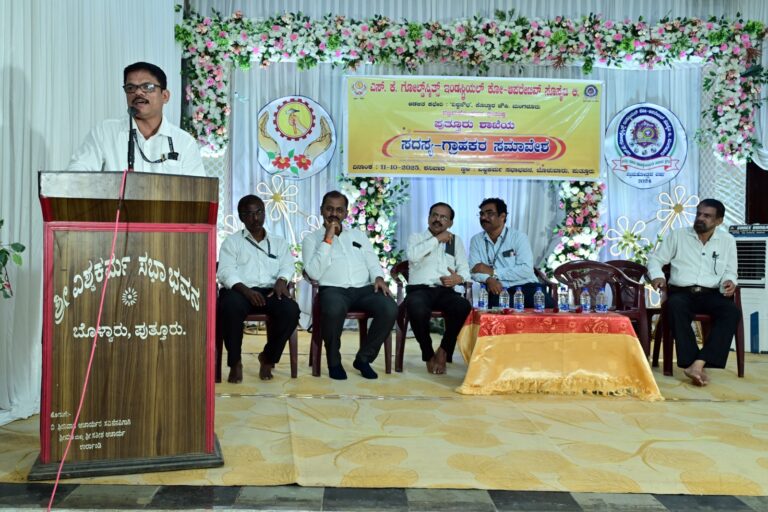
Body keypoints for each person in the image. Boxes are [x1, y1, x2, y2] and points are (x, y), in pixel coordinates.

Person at [302, 190, 397, 380]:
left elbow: (372, 261)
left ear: (346, 213)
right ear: (321, 210)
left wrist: (378, 277)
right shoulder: (311, 239)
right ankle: (334, 362)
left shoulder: (358, 235)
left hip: (364, 290)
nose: (334, 214)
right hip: (333, 290)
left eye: (339, 210)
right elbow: (313, 273)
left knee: (390, 307)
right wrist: (328, 239)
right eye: (329, 209)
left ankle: (363, 359)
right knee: (333, 309)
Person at [647, 199, 740, 386]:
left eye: (707, 216)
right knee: (675, 305)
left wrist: (730, 281)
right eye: (699, 214)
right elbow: (655, 260)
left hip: (712, 294)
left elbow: (731, 270)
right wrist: (658, 276)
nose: (700, 218)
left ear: (719, 221)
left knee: (732, 311)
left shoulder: (727, 241)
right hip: (682, 293)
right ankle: (692, 363)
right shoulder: (678, 235)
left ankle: (698, 363)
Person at [67, 61, 206, 176]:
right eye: (130, 88)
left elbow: (196, 191)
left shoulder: (184, 142)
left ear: (165, 96)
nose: (138, 92)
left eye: (147, 87)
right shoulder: (105, 132)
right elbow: (76, 174)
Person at [217, 195, 300, 382]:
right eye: (249, 214)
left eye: (259, 212)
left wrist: (282, 280)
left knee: (291, 310)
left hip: (270, 291)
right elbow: (225, 272)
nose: (255, 218)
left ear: (264, 213)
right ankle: (235, 362)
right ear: (241, 217)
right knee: (229, 306)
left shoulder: (278, 242)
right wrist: (247, 291)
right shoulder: (232, 242)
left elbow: (288, 266)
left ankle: (268, 358)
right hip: (240, 291)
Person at [405, 202, 472, 375]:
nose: (438, 219)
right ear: (428, 218)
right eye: (434, 215)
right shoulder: (416, 238)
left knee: (463, 306)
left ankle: (444, 350)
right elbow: (412, 256)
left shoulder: (455, 241)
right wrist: (437, 239)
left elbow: (465, 269)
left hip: (445, 290)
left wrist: (458, 278)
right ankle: (428, 354)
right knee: (416, 306)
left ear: (450, 223)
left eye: (443, 217)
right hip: (419, 290)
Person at [468, 198, 555, 308]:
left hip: (527, 286)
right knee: (496, 309)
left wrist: (493, 272)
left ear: (502, 216)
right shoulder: (476, 240)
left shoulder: (518, 237)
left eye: (489, 213)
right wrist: (488, 279)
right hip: (497, 288)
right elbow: (474, 270)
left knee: (547, 307)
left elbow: (526, 269)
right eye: (481, 214)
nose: (483, 217)